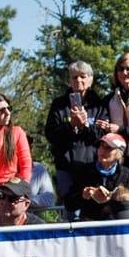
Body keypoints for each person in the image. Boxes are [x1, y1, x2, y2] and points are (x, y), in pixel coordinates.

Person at [45, 60, 104, 214]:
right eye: (74, 77)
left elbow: (104, 136)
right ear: (69, 81)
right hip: (66, 168)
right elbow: (51, 135)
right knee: (70, 212)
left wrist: (86, 126)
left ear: (90, 80)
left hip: (92, 167)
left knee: (92, 211)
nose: (78, 80)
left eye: (83, 77)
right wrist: (71, 126)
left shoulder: (99, 105)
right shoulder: (59, 105)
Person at [69, 135, 129, 221]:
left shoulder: (126, 175)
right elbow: (69, 204)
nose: (103, 150)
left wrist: (112, 199)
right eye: (101, 146)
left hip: (116, 222)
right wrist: (82, 195)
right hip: (90, 222)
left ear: (119, 154)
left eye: (108, 148)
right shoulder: (85, 171)